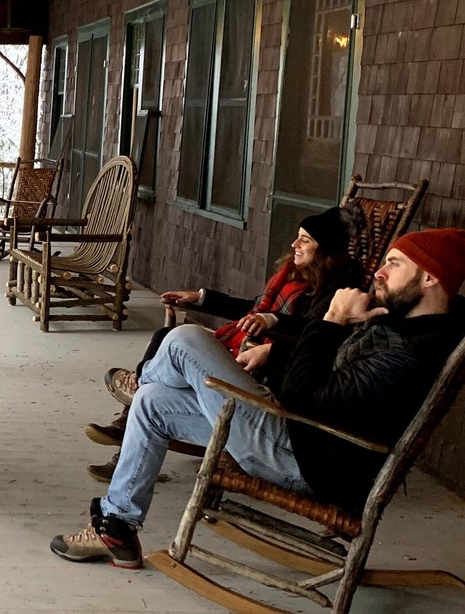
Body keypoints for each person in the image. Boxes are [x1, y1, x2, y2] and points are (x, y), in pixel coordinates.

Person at [50, 228, 465, 570]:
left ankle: (137, 382)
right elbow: (330, 380)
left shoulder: (412, 352)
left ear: (431, 277)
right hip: (296, 431)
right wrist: (278, 350)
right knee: (154, 402)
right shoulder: (401, 322)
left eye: (395, 263)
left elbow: (309, 398)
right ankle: (117, 528)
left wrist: (332, 321)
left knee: (184, 338)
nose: (379, 271)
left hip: (303, 457)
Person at [84, 206, 365, 481]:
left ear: (325, 249)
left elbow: (318, 334)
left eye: (305, 239)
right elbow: (253, 309)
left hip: (262, 365)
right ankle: (132, 412)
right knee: (163, 341)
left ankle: (133, 402)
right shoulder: (291, 275)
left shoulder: (338, 290)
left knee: (175, 347)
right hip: (254, 345)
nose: (294, 244)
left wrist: (274, 323)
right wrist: (202, 298)